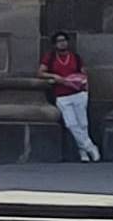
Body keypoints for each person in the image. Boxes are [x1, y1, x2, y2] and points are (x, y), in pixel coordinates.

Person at [39, 32, 100, 162]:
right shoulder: (50, 58)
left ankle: (83, 152)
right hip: (62, 95)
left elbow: (84, 74)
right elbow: (40, 72)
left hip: (78, 93)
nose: (62, 43)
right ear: (55, 44)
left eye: (64, 40)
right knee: (71, 124)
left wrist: (86, 89)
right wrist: (55, 77)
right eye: (59, 41)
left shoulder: (75, 57)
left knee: (83, 124)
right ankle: (90, 147)